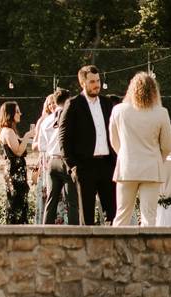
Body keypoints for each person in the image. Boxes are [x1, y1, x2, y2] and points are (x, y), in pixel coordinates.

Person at [108, 72, 171, 227]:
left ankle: (117, 250)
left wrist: (124, 154)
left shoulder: (118, 110)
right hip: (151, 168)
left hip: (127, 167)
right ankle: (147, 251)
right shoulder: (161, 113)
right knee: (149, 217)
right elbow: (167, 145)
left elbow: (114, 140)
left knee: (122, 214)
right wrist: (158, 158)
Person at [59, 64, 117, 225]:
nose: (96, 84)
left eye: (98, 80)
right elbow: (63, 138)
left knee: (113, 213)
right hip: (85, 166)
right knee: (87, 216)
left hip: (107, 164)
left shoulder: (107, 103)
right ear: (82, 83)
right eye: (92, 81)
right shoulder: (74, 104)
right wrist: (73, 166)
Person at [38, 88, 78, 224]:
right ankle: (74, 233)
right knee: (72, 201)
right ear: (68, 101)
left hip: (52, 161)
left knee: (51, 199)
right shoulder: (71, 117)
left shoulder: (46, 121)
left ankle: (46, 230)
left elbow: (42, 146)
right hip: (65, 161)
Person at [0, 101, 33, 225]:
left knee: (15, 202)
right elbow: (18, 151)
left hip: (13, 171)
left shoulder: (7, 131)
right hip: (15, 172)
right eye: (17, 111)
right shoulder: (8, 131)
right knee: (18, 204)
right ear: (9, 114)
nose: (20, 114)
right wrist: (28, 136)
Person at [32, 94, 56, 223]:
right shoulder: (43, 121)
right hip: (46, 160)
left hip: (57, 159)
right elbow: (34, 145)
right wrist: (47, 145)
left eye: (54, 103)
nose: (52, 105)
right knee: (47, 193)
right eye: (49, 103)